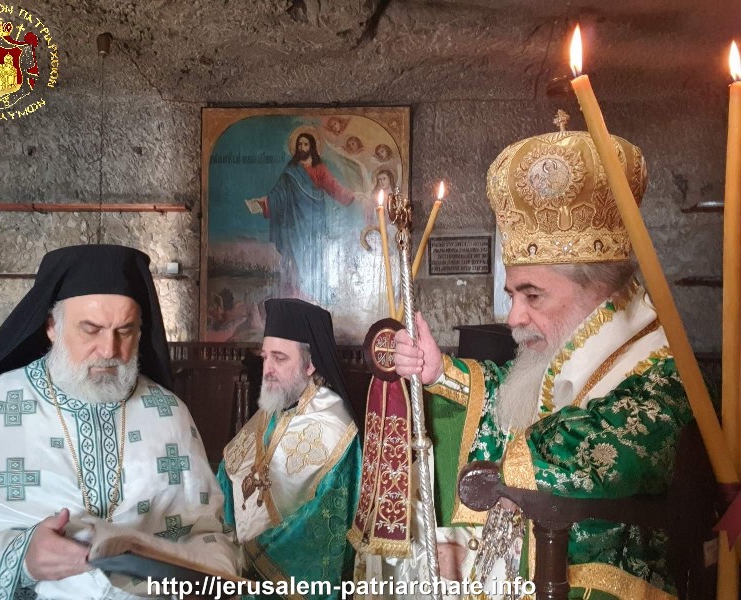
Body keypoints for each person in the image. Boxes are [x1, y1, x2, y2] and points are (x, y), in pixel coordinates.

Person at [392, 122, 692, 598]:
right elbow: (519, 394)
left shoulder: (661, 367)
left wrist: (513, 464)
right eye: (512, 294)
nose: (514, 317)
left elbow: (623, 438)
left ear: (598, 290)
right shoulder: (566, 344)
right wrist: (439, 373)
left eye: (533, 295)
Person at [0, 245, 241, 599]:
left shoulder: (168, 412)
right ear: (52, 326)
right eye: (91, 330)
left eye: (125, 331)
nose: (110, 350)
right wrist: (22, 558)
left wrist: (205, 579)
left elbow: (208, 532)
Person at [217, 298, 361, 598]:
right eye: (265, 356)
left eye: (280, 358)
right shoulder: (275, 407)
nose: (267, 370)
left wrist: (250, 560)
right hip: (234, 571)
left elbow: (323, 528)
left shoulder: (336, 429)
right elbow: (227, 475)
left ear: (310, 364)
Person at [246, 132, 367, 303]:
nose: (302, 148)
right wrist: (265, 201)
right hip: (294, 223)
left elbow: (333, 187)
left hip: (314, 223)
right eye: (299, 145)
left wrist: (352, 196)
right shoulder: (291, 170)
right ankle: (296, 292)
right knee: (294, 257)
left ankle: (315, 294)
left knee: (315, 256)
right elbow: (279, 193)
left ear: (312, 147)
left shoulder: (319, 168)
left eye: (305, 144)